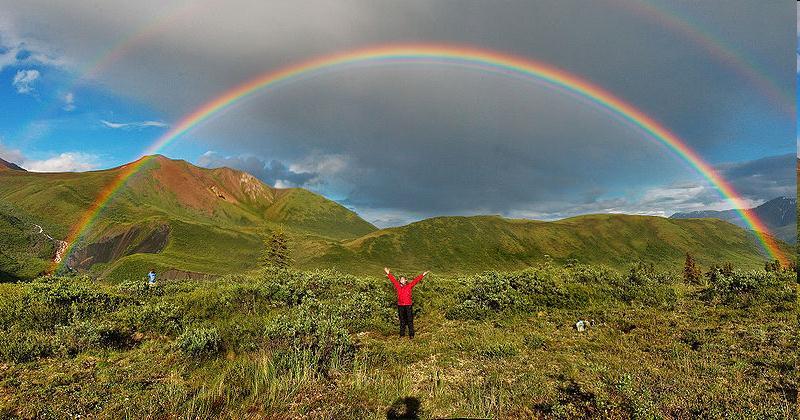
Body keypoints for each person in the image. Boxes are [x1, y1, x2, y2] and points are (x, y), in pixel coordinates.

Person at [384, 267, 428, 338]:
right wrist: (388, 273)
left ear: (405, 280)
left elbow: (416, 280)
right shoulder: (398, 286)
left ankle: (411, 335)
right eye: (400, 279)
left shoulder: (409, 286)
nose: (401, 280)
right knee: (402, 321)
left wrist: (423, 275)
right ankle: (402, 335)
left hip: (408, 305)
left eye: (403, 279)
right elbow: (393, 280)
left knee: (410, 320)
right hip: (400, 305)